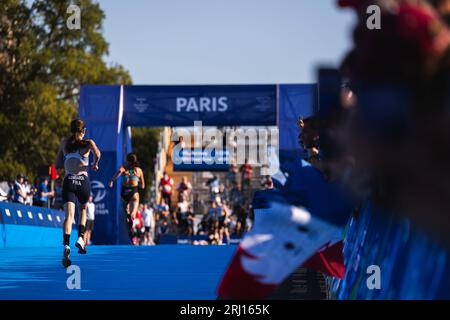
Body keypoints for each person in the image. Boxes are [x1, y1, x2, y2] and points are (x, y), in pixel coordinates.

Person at [55, 118, 101, 268]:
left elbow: (57, 164)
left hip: (68, 181)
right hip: (83, 182)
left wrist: (68, 160)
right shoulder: (88, 143)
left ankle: (66, 246)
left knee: (68, 216)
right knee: (83, 210)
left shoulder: (64, 143)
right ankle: (81, 238)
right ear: (83, 131)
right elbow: (98, 154)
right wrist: (95, 163)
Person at [109, 153, 145, 242]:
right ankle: (133, 232)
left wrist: (111, 180)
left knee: (127, 217)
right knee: (133, 214)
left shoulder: (124, 168)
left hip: (124, 193)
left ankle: (132, 235)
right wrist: (136, 180)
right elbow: (143, 186)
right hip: (134, 192)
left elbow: (119, 172)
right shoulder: (138, 170)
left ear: (127, 161)